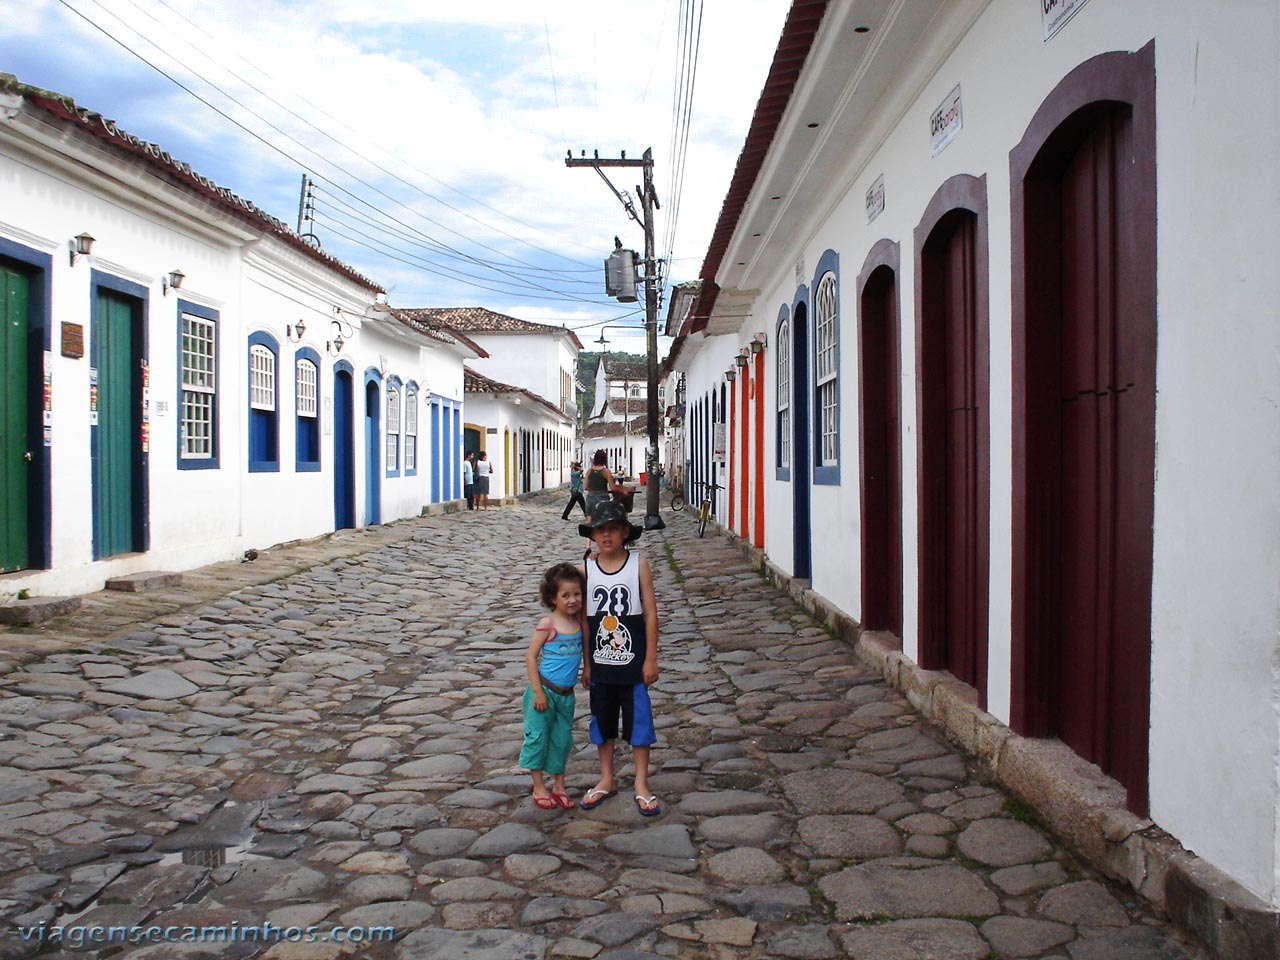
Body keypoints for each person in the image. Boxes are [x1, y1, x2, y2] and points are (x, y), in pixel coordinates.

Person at [577, 501, 661, 817]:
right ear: (593, 535)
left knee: (639, 722)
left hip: (633, 660)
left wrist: (650, 657)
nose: (606, 535)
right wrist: (587, 663)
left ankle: (641, 782)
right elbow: (584, 621)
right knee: (603, 722)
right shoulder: (585, 570)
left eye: (612, 528)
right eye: (600, 530)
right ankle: (607, 777)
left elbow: (650, 612)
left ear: (625, 531)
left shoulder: (637, 564)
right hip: (600, 663)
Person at [520, 563, 588, 810]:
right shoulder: (548, 623)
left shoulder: (579, 622)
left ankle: (559, 785)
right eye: (565, 595)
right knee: (538, 738)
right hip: (544, 692)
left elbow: (585, 650)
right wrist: (537, 691)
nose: (573, 600)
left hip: (566, 695)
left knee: (562, 739)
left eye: (577, 594)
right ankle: (539, 786)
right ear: (553, 597)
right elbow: (530, 656)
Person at [584, 449, 627, 520]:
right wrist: (623, 492)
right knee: (601, 519)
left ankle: (589, 530)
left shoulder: (589, 471)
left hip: (590, 497)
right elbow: (613, 488)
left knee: (589, 517)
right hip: (602, 497)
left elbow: (586, 486)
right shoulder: (606, 472)